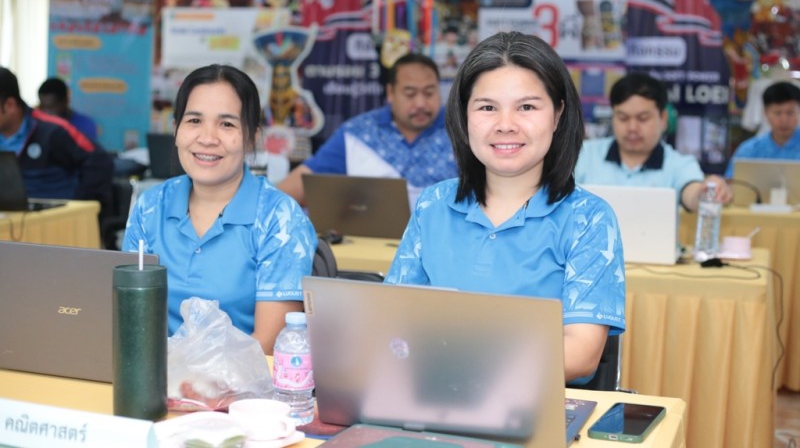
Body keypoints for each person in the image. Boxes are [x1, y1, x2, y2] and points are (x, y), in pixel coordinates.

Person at [385, 32, 625, 383]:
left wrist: (462, 359)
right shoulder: (433, 204)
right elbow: (390, 322)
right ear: (463, 115)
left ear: (557, 115)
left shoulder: (589, 218)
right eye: (487, 107)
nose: (506, 125)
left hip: (535, 405)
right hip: (430, 395)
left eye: (527, 107)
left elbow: (580, 354)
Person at [123, 64, 317, 354]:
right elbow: (129, 318)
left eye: (227, 124)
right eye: (194, 121)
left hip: (243, 380)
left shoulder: (280, 219)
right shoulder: (150, 207)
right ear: (176, 130)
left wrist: (189, 375)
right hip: (154, 374)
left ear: (252, 137)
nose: (207, 138)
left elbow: (268, 344)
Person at [278, 53, 458, 207]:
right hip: (370, 238)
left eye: (429, 92)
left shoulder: (461, 132)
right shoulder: (358, 133)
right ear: (390, 93)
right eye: (410, 94)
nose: (420, 103)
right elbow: (296, 187)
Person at [574, 73, 732, 211]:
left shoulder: (680, 165)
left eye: (643, 118)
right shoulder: (583, 155)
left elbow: (692, 194)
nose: (632, 128)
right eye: (623, 118)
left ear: (663, 119)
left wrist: (707, 192)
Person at [0, 66, 113, 209]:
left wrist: (77, 207)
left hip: (54, 217)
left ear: (9, 105)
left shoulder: (54, 130)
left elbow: (99, 162)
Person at [725, 80, 800, 178]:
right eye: (777, 113)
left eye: (790, 113)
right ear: (765, 112)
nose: (784, 120)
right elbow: (732, 183)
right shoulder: (748, 151)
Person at [37, 77, 98, 142]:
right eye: (42, 107)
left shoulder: (84, 125)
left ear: (65, 101)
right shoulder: (37, 125)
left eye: (51, 107)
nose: (46, 112)